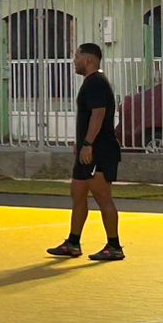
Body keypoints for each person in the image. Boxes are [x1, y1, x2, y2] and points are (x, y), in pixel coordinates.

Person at [48, 43, 124, 262]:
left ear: (89, 59)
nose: (74, 60)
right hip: (88, 150)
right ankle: (73, 242)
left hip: (99, 152)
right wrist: (80, 143)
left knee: (102, 196)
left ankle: (114, 246)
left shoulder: (97, 83)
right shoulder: (90, 83)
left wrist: (89, 143)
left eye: (77, 56)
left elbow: (98, 115)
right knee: (78, 192)